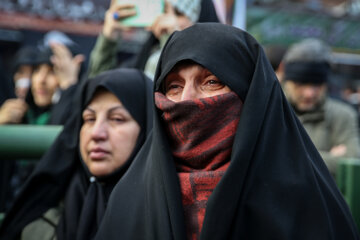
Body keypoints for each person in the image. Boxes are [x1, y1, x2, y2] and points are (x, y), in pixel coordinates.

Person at [94, 23, 360, 240]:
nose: (187, 99)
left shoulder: (306, 202)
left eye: (211, 82)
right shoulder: (130, 200)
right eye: (173, 86)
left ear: (251, 96)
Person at [0, 68, 153, 239]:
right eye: (89, 119)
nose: (97, 133)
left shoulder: (164, 215)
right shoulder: (39, 218)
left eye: (117, 119)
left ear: (146, 128)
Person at [280, 38, 360, 176]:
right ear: (287, 82)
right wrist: (329, 157)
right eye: (301, 84)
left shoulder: (342, 115)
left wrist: (289, 156)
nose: (309, 93)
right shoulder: (273, 112)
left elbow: (352, 162)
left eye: (317, 85)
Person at [87, 0, 202, 80]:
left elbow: (176, 88)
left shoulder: (205, 61)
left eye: (178, 13)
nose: (167, 18)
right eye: (164, 11)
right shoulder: (145, 59)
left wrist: (174, 40)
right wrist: (109, 37)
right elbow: (100, 85)